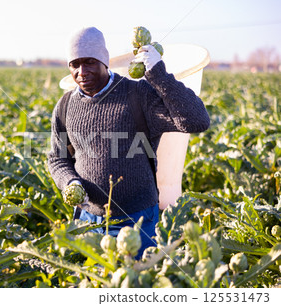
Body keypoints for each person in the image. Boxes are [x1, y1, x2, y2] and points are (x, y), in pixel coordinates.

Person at [47, 27, 210, 258]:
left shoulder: (138, 95)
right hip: (88, 221)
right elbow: (57, 157)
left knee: (138, 285)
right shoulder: (65, 106)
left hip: (138, 222)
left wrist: (158, 75)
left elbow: (196, 121)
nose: (82, 71)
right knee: (89, 283)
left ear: (105, 61)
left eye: (90, 62)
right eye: (75, 64)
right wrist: (70, 182)